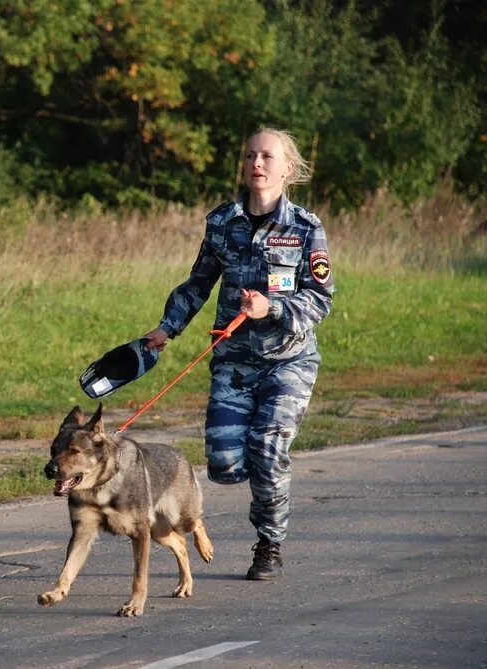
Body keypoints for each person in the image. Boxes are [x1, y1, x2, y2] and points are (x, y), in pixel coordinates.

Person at [142, 127, 333, 580]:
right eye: (250, 156)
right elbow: (198, 283)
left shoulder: (305, 228)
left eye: (267, 156)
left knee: (267, 448)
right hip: (233, 360)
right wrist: (167, 327)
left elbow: (320, 298)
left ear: (288, 169)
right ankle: (264, 479)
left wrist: (273, 308)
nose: (256, 164)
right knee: (225, 465)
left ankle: (269, 543)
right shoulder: (222, 222)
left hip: (288, 360)